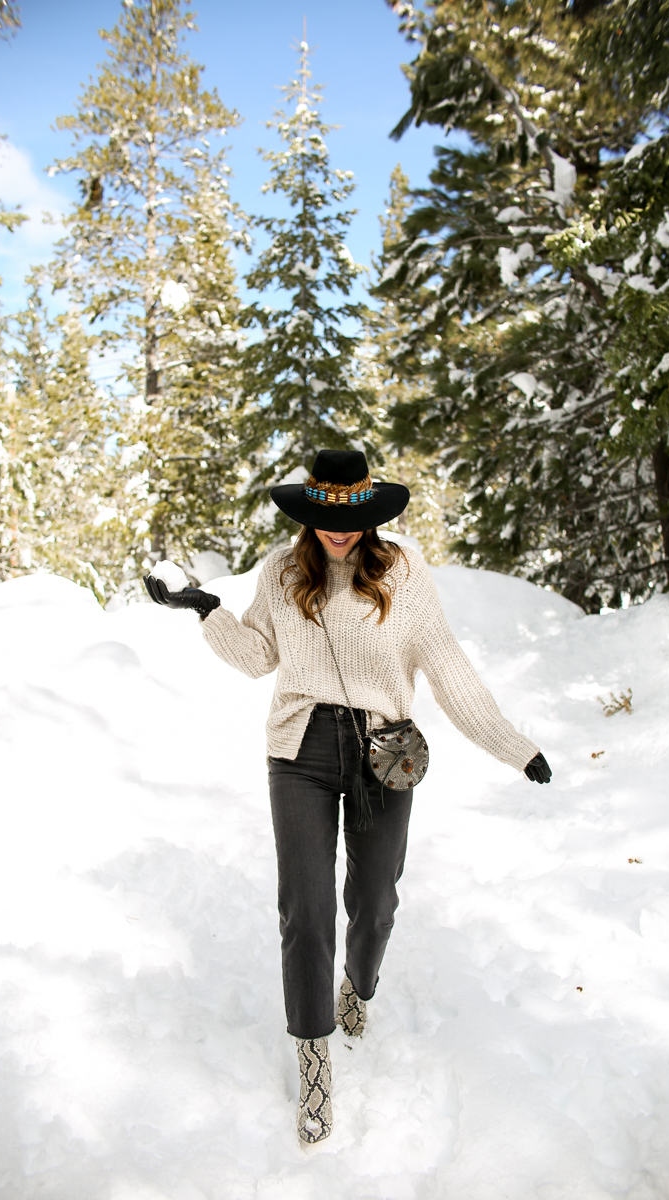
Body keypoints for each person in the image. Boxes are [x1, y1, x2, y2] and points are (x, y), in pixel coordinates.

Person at [143, 448, 552, 1145]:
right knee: (305, 907)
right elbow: (256, 659)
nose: (340, 533)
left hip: (383, 752)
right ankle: (313, 1053)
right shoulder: (281, 571)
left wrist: (514, 746)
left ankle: (358, 988)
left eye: (352, 519)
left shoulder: (403, 572)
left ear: (370, 513)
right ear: (310, 517)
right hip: (299, 749)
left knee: (376, 901)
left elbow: (447, 663)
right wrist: (204, 608)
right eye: (328, 520)